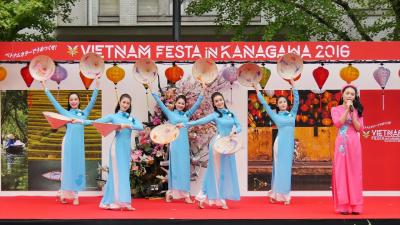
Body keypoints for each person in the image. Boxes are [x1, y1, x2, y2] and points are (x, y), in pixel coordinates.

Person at [41, 78, 100, 205]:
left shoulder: (84, 113)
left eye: (75, 99)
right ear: (69, 102)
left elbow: (93, 101)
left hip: (79, 145)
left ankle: (75, 195)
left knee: (78, 167)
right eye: (71, 100)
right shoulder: (65, 113)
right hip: (68, 143)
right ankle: (63, 192)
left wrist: (96, 85)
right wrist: (45, 88)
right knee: (67, 168)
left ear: (79, 101)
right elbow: (55, 103)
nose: (73, 101)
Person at [179, 92, 241, 210]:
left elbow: (239, 126)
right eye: (216, 101)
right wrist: (185, 124)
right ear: (214, 103)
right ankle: (220, 199)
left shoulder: (231, 114)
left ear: (223, 100)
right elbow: (200, 121)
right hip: (217, 144)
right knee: (216, 171)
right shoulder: (215, 115)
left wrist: (235, 131)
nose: (219, 102)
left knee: (222, 171)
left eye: (220, 100)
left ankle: (202, 197)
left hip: (228, 145)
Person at [149, 83, 205, 203]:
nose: (180, 105)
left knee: (184, 168)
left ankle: (186, 195)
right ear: (175, 103)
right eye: (179, 102)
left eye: (183, 103)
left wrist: (202, 92)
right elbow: (160, 103)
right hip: (174, 144)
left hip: (184, 145)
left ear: (185, 105)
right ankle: (170, 193)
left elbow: (196, 105)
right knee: (174, 168)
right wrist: (152, 90)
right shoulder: (170, 113)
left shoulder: (186, 115)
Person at [94, 94, 144, 210]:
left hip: (125, 149)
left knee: (124, 174)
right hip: (116, 148)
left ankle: (125, 202)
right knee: (115, 174)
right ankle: (112, 201)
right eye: (124, 102)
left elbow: (140, 126)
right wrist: (115, 126)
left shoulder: (130, 118)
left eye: (128, 103)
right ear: (119, 102)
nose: (125, 105)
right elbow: (97, 122)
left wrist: (127, 125)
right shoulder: (113, 116)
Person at [253, 79, 299, 205]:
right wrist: (258, 91)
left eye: (284, 101)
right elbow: (265, 106)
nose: (283, 103)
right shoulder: (276, 116)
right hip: (279, 144)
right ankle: (279, 195)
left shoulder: (292, 114)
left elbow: (297, 101)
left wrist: (293, 85)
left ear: (287, 104)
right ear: (277, 105)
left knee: (286, 169)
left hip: (289, 144)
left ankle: (280, 194)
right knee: (279, 168)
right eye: (280, 102)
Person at [331, 84, 364, 215]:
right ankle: (343, 205)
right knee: (341, 172)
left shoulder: (358, 110)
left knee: (355, 173)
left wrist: (354, 113)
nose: (350, 96)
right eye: (347, 93)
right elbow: (338, 123)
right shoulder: (335, 109)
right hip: (341, 145)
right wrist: (346, 111)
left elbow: (359, 128)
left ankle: (356, 205)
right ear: (342, 95)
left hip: (354, 143)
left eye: (352, 94)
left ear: (355, 97)